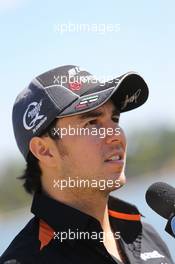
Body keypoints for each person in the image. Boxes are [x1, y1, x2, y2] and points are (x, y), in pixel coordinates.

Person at [0, 65, 173, 264]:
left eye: (115, 119)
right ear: (45, 151)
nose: (116, 134)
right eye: (92, 123)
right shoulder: (27, 259)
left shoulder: (144, 234)